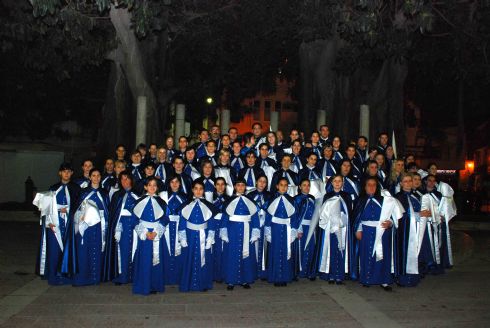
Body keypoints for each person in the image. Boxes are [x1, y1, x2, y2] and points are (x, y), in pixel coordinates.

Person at [353, 177, 403, 291]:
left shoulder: (384, 200)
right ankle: (367, 278)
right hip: (365, 231)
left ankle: (384, 280)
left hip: (382, 231)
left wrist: (389, 223)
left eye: (374, 185)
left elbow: (393, 215)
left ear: (377, 187)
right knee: (366, 255)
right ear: (364, 187)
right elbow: (356, 218)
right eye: (369, 184)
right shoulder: (360, 201)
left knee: (382, 256)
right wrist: (358, 229)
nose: (371, 187)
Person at [35, 163, 80, 285]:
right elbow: (47, 207)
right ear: (60, 173)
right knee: (54, 250)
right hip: (55, 224)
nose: (66, 173)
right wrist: (49, 222)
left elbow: (80, 207)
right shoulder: (53, 188)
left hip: (70, 224)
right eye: (64, 171)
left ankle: (67, 276)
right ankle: (54, 276)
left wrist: (69, 209)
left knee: (68, 250)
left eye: (69, 171)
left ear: (72, 173)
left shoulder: (76, 189)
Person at [71, 168, 110, 286]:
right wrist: (80, 216)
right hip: (86, 226)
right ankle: (82, 277)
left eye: (98, 175)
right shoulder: (83, 192)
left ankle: (95, 277)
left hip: (99, 226)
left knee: (98, 250)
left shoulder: (104, 192)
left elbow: (108, 210)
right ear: (90, 177)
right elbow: (77, 209)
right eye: (94, 175)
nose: (96, 178)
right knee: (83, 250)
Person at [220, 179, 261, 290]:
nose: (241, 187)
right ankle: (231, 280)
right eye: (238, 185)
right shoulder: (229, 201)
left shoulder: (250, 201)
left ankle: (245, 280)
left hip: (247, 230)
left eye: (243, 185)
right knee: (231, 255)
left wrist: (255, 232)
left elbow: (255, 217)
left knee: (246, 255)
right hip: (232, 231)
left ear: (245, 187)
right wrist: (223, 232)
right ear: (235, 186)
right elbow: (225, 217)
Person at [178, 180, 218, 292]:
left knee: (203, 260)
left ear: (203, 191)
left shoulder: (208, 206)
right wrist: (183, 238)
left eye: (201, 189)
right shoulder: (186, 205)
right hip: (190, 236)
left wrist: (210, 238)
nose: (198, 191)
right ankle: (187, 283)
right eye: (196, 188)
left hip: (203, 235)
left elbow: (211, 222)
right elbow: (182, 222)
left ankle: (203, 284)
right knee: (188, 259)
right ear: (192, 190)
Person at [132, 177, 168, 295]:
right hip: (145, 233)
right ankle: (144, 285)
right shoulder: (139, 201)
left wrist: (156, 231)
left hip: (157, 232)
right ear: (145, 187)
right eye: (150, 185)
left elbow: (165, 218)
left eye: (154, 185)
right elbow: (135, 219)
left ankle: (155, 285)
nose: (152, 187)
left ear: (157, 188)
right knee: (145, 259)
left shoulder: (162, 202)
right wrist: (146, 232)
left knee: (156, 260)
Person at [317, 175, 353, 284]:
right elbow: (323, 212)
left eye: (339, 181)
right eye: (335, 181)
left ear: (343, 183)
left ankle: (340, 275)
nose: (337, 183)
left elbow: (349, 211)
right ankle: (331, 274)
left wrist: (344, 220)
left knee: (341, 249)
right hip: (331, 227)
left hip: (343, 227)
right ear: (332, 183)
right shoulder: (327, 196)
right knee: (331, 249)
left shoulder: (346, 196)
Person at [106, 171, 139, 285]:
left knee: (134, 249)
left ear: (131, 180)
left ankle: (134, 275)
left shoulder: (137, 194)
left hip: (135, 226)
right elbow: (114, 214)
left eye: (127, 178)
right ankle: (122, 276)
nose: (125, 181)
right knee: (122, 250)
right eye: (122, 179)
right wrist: (117, 226)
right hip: (122, 227)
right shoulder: (117, 195)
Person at [395, 173, 428, 287]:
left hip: (417, 228)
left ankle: (414, 277)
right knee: (405, 252)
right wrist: (419, 214)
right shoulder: (399, 197)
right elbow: (400, 215)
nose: (408, 183)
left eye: (410, 181)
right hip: (405, 231)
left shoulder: (415, 196)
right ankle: (403, 278)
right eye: (405, 181)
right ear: (401, 183)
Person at [264, 178, 298, 286]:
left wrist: (294, 229)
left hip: (287, 228)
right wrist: (268, 230)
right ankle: (276, 277)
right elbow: (268, 215)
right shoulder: (272, 199)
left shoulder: (292, 200)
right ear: (277, 186)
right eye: (281, 185)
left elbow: (295, 216)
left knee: (286, 252)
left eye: (285, 185)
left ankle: (285, 277)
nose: (283, 187)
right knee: (275, 251)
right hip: (275, 228)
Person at [159, 176, 187, 285]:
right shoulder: (163, 196)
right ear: (168, 183)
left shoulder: (184, 197)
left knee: (178, 250)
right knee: (166, 249)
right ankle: (166, 276)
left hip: (179, 225)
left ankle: (178, 276)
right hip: (167, 225)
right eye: (172, 182)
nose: (174, 184)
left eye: (177, 182)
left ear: (180, 184)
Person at [247, 175, 272, 279]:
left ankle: (263, 272)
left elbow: (271, 211)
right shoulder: (250, 195)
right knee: (253, 247)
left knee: (265, 247)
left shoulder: (269, 196)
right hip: (254, 224)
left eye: (264, 182)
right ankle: (253, 271)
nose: (262, 184)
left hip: (265, 224)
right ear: (256, 182)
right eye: (260, 181)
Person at [293, 179, 317, 280]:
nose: (306, 187)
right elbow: (295, 215)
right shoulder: (296, 199)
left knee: (311, 248)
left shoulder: (312, 198)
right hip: (301, 227)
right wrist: (298, 228)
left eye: (308, 185)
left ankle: (309, 271)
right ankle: (299, 271)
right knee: (301, 248)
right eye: (304, 185)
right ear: (300, 187)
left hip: (311, 227)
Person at [211, 177, 230, 282]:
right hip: (213, 224)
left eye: (222, 184)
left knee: (223, 249)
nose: (220, 186)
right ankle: (213, 274)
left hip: (224, 224)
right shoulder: (210, 198)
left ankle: (223, 273)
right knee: (213, 249)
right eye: (218, 184)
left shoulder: (229, 199)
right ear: (214, 186)